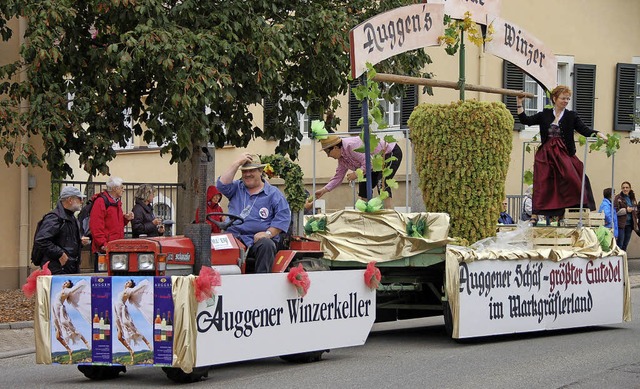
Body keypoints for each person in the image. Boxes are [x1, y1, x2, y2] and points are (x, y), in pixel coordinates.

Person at [516, 86, 607, 221]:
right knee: (542, 181)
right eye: (563, 98)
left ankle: (565, 210)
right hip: (546, 153)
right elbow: (525, 120)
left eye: (568, 99)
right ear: (555, 98)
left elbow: (584, 129)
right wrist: (519, 103)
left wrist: (598, 133)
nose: (566, 101)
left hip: (564, 152)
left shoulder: (571, 116)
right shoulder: (545, 114)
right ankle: (535, 213)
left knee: (574, 176)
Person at [217, 153, 291, 273]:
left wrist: (267, 233)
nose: (247, 174)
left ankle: (261, 284)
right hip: (234, 238)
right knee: (211, 243)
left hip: (256, 241)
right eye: (244, 171)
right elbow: (221, 184)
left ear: (261, 171)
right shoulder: (236, 188)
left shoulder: (273, 193)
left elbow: (282, 218)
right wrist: (236, 164)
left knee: (267, 245)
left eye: (251, 171)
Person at [314, 135, 403, 209]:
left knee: (382, 182)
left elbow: (368, 162)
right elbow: (338, 177)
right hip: (374, 162)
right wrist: (323, 190)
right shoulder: (342, 159)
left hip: (389, 153)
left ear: (335, 147)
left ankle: (390, 214)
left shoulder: (351, 146)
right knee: (363, 184)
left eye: (327, 152)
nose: (328, 156)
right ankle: (366, 216)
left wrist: (356, 174)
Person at [33, 186, 90, 274]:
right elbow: (41, 240)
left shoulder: (71, 218)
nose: (82, 201)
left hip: (69, 266)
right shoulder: (54, 217)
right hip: (57, 267)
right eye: (79, 198)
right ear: (70, 200)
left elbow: (65, 240)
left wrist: (79, 242)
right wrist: (59, 253)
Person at [89, 176, 134, 271]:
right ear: (114, 188)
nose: (123, 190)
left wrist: (125, 219)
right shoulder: (101, 202)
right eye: (121, 187)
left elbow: (114, 225)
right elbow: (96, 226)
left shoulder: (116, 203)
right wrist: (103, 244)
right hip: (106, 249)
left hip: (115, 247)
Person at [114, 279, 153, 363]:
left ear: (130, 285)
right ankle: (131, 351)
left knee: (131, 327)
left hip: (121, 310)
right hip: (116, 311)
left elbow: (137, 289)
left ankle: (147, 343)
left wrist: (144, 283)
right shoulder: (123, 291)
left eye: (129, 283)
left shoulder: (129, 290)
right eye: (127, 282)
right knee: (119, 337)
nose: (127, 283)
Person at [52, 279, 91, 363]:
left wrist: (82, 283)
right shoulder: (62, 291)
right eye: (64, 282)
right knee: (58, 336)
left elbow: (76, 288)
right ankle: (69, 350)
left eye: (67, 283)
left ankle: (86, 342)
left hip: (60, 311)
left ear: (68, 286)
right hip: (54, 312)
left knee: (69, 327)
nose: (65, 283)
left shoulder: (68, 291)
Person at [614, 181, 638, 250]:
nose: (625, 189)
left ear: (630, 188)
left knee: (625, 243)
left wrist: (632, 209)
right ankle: (618, 260)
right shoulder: (618, 198)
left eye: (627, 187)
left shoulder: (632, 198)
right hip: (621, 224)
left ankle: (623, 259)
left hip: (630, 225)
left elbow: (635, 208)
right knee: (620, 244)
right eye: (623, 188)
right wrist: (626, 210)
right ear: (621, 189)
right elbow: (615, 211)